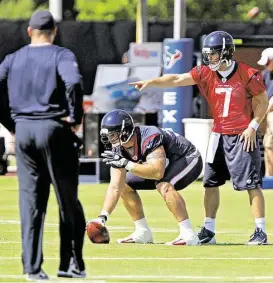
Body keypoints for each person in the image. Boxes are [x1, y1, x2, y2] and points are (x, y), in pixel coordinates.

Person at [129, 31, 269, 245]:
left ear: (226, 53)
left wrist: (253, 126)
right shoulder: (205, 72)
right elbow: (176, 78)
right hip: (218, 134)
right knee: (210, 183)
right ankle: (209, 230)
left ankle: (260, 230)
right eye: (208, 54)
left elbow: (262, 101)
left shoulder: (247, 73)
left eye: (214, 54)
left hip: (242, 135)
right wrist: (152, 82)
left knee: (251, 184)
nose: (210, 58)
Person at [0, 11, 86, 280]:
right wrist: (75, 118)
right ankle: (69, 265)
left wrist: (11, 123)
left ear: (29, 32)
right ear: (55, 31)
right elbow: (73, 82)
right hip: (54, 129)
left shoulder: (12, 59)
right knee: (67, 199)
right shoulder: (62, 55)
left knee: (31, 202)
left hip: (23, 131)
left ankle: (32, 269)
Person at [89, 109, 203, 245]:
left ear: (125, 132)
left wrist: (126, 163)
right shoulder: (118, 148)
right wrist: (103, 217)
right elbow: (115, 186)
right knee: (124, 185)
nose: (110, 140)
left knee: (164, 184)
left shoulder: (149, 136)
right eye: (108, 136)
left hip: (188, 158)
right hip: (165, 165)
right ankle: (142, 231)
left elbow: (157, 173)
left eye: (113, 135)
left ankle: (188, 233)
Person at [257, 48, 273, 176]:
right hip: (268, 114)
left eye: (268, 63)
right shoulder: (265, 74)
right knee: (268, 145)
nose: (266, 66)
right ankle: (269, 177)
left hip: (270, 112)